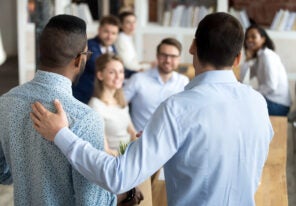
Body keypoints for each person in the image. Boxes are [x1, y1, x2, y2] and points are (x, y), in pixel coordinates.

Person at [30, 12, 274, 206]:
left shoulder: (178, 109)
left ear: (191, 48)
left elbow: (118, 177)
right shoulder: (258, 103)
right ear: (238, 58)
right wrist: (172, 143)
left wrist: (61, 134)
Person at [0, 14, 142, 205]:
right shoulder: (85, 119)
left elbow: (3, 173)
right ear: (79, 59)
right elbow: (91, 202)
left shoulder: (5, 103)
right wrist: (127, 194)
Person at [123, 37, 189, 132]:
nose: (168, 60)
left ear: (179, 59)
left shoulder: (184, 82)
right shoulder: (138, 79)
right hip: (141, 140)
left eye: (173, 56)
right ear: (157, 56)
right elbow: (118, 106)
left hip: (173, 141)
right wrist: (131, 132)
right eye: (164, 55)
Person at [88, 53, 137, 156]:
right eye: (112, 72)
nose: (118, 76)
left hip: (129, 154)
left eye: (121, 71)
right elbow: (105, 150)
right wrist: (127, 158)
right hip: (114, 162)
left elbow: (132, 132)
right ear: (100, 75)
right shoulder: (95, 106)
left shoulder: (121, 101)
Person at [240, 24, 291, 116]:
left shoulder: (268, 56)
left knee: (242, 107)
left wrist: (252, 93)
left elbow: (271, 86)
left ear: (263, 39)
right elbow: (243, 78)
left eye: (253, 37)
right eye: (247, 37)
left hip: (278, 104)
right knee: (242, 103)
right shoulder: (259, 58)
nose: (249, 40)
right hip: (271, 101)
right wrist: (247, 59)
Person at [72, 15, 120, 104]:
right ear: (99, 30)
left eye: (113, 33)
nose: (109, 36)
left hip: (100, 96)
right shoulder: (88, 45)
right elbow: (98, 65)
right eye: (106, 32)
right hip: (83, 95)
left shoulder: (112, 48)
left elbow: (116, 66)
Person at [115, 11, 152, 78]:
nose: (132, 25)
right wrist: (150, 66)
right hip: (127, 75)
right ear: (121, 24)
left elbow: (133, 61)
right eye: (128, 22)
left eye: (134, 22)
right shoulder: (121, 39)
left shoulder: (127, 37)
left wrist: (146, 64)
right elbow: (128, 66)